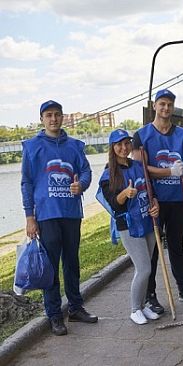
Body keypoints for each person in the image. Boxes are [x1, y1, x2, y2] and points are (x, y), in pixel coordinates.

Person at [21, 100, 97, 336]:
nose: (53, 119)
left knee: (72, 263)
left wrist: (81, 185)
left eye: (57, 115)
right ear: (42, 119)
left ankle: (75, 307)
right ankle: (54, 315)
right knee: (51, 268)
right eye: (49, 115)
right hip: (46, 215)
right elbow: (27, 183)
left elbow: (86, 171)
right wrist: (29, 217)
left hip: (71, 213)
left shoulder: (74, 146)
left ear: (63, 118)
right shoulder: (32, 147)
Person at [132, 89, 183, 313]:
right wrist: (169, 171)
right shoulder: (141, 136)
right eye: (162, 104)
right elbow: (140, 168)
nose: (166, 108)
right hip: (154, 200)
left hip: (178, 198)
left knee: (176, 245)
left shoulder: (182, 133)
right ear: (154, 106)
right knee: (153, 249)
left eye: (169, 104)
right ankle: (151, 294)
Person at [100, 129, 162, 325]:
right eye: (118, 144)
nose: (123, 148)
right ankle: (134, 309)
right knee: (143, 268)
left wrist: (155, 204)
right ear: (112, 148)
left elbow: (151, 191)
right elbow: (114, 203)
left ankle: (143, 305)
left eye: (126, 143)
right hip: (128, 224)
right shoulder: (108, 173)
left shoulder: (139, 166)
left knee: (149, 266)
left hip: (147, 220)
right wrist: (125, 193)